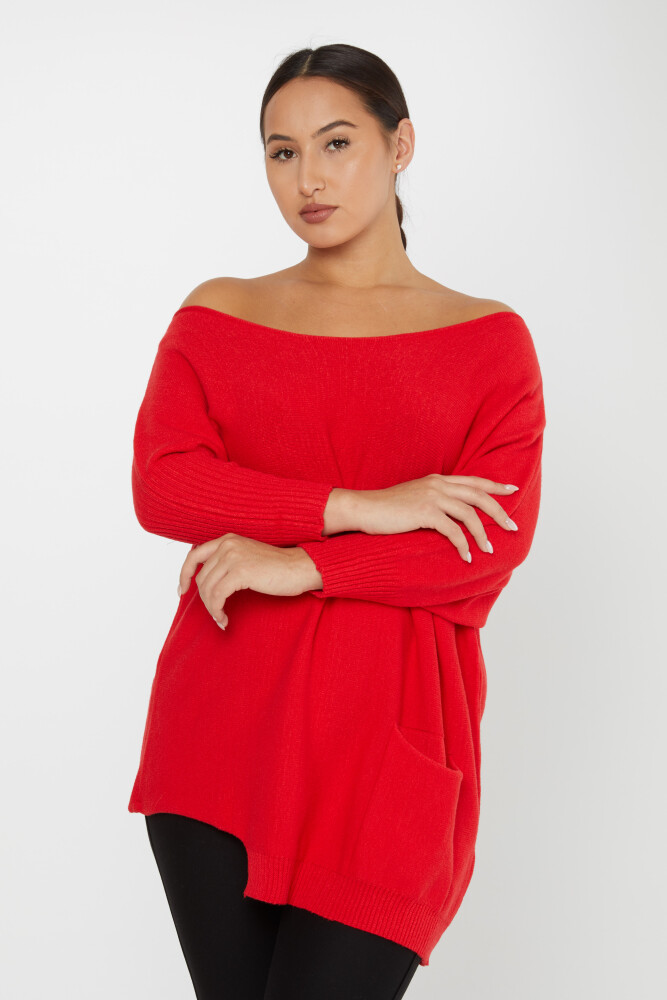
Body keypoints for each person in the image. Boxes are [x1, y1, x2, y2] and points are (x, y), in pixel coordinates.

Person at [128, 42, 547, 1000]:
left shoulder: (487, 341)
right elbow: (164, 486)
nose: (307, 179)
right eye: (281, 152)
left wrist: (304, 563)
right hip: (220, 737)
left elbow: (487, 546)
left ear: (400, 145)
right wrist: (354, 508)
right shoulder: (220, 315)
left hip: (391, 758)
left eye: (336, 143)